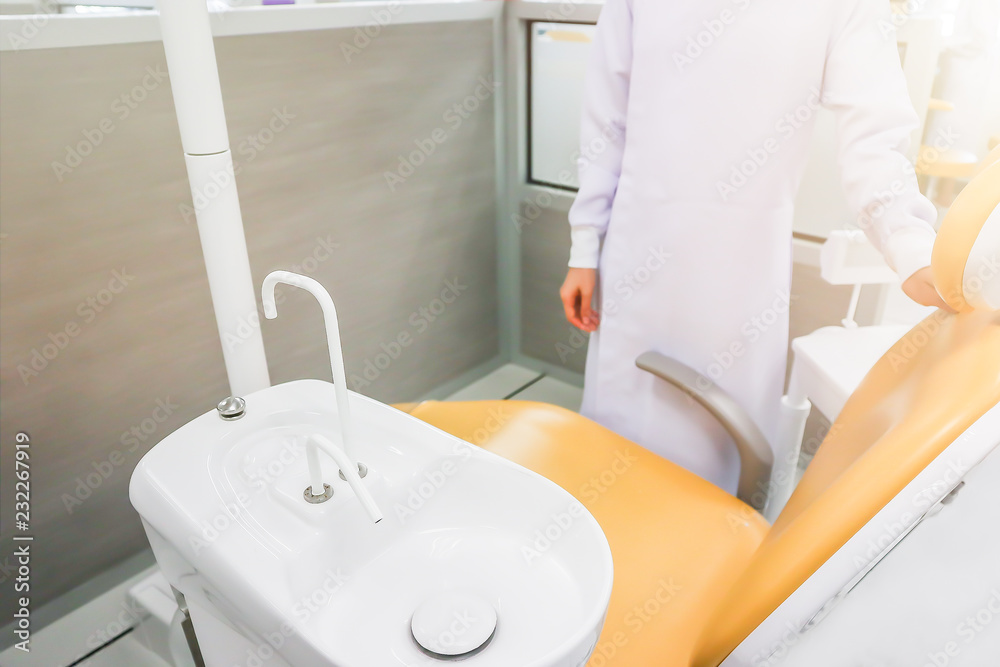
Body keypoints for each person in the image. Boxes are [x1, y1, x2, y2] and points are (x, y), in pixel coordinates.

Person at [559, 0, 950, 494]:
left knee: (720, 454)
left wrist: (911, 245)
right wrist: (584, 245)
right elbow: (606, 120)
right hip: (635, 254)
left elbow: (874, 135)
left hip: (739, 275)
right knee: (612, 456)